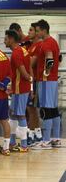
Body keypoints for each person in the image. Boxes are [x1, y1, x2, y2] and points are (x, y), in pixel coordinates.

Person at [32, 19, 61, 150]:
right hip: (52, 81)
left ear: (44, 30)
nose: (37, 33)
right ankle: (56, 139)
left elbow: (50, 59)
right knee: (54, 110)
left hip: (46, 80)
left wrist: (46, 72)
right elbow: (58, 58)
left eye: (38, 31)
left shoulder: (47, 43)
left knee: (46, 110)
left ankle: (46, 140)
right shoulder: (54, 42)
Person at [5, 30, 32, 152]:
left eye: (6, 38)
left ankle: (24, 145)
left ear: (11, 39)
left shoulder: (16, 53)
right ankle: (11, 142)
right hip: (19, 88)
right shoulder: (23, 50)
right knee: (12, 113)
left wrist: (29, 81)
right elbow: (30, 66)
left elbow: (24, 72)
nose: (4, 41)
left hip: (20, 88)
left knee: (20, 114)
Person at [26, 22, 43, 145]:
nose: (29, 32)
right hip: (30, 79)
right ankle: (37, 133)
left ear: (37, 32)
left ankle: (32, 134)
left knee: (31, 108)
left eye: (31, 30)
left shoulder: (39, 45)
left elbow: (30, 64)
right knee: (31, 109)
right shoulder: (31, 46)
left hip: (35, 80)